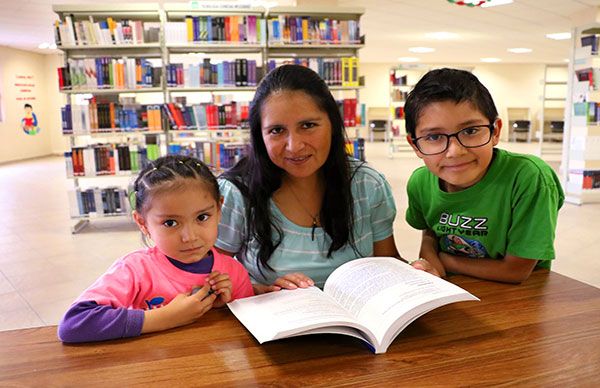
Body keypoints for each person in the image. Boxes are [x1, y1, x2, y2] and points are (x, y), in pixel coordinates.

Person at [216, 64, 438, 293]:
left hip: (358, 323)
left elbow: (387, 263)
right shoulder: (237, 193)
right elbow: (207, 277)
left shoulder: (367, 185)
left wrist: (416, 274)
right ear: (260, 136)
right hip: (274, 325)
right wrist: (256, 291)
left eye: (308, 125)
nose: (294, 146)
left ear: (332, 124)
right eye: (276, 131)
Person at [58, 155, 254, 343]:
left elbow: (249, 332)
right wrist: (165, 317)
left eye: (202, 217)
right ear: (142, 223)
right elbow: (74, 323)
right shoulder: (135, 270)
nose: (190, 237)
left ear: (219, 210)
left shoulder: (233, 273)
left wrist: (225, 308)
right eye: (170, 223)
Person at [403, 68, 564, 284]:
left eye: (470, 131)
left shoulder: (528, 177)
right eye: (434, 137)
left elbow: (516, 271)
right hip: (453, 291)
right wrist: (429, 261)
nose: (454, 151)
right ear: (415, 145)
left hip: (518, 298)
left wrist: (447, 262)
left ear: (495, 131)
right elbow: (431, 232)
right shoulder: (420, 182)